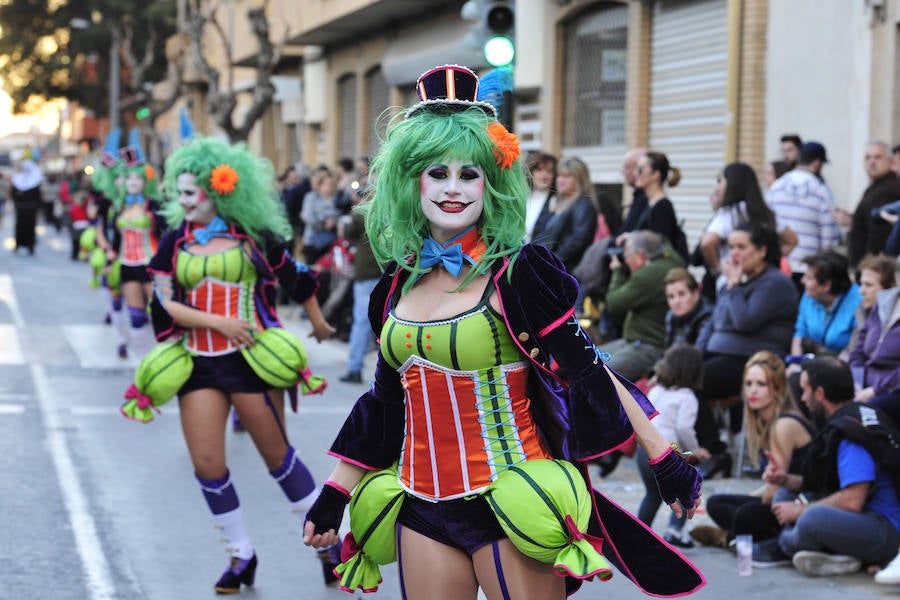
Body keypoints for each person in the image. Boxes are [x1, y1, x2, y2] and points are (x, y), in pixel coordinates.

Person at [302, 64, 704, 600]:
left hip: (513, 501)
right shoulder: (395, 285)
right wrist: (334, 493)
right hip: (422, 504)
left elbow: (589, 370)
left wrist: (664, 456)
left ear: (491, 183)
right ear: (409, 180)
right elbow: (383, 405)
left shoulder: (519, 272)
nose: (452, 189)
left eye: (469, 174)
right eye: (436, 173)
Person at [145, 137, 338, 592]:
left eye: (192, 192)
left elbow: (298, 278)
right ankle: (240, 555)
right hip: (199, 363)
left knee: (278, 459)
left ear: (219, 189)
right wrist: (218, 322)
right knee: (208, 464)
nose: (184, 201)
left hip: (252, 359)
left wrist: (319, 324)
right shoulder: (175, 240)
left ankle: (327, 542)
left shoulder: (254, 239)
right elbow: (165, 302)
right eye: (180, 192)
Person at [752, 357, 900, 577]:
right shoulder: (854, 415)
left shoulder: (851, 432)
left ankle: (786, 545)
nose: (803, 398)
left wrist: (799, 511)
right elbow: (832, 484)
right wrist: (785, 479)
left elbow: (853, 500)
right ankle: (839, 556)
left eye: (805, 391)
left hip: (883, 530)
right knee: (785, 493)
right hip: (861, 519)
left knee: (811, 520)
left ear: (819, 394)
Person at [690, 352, 814, 549]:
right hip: (783, 496)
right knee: (716, 503)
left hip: (798, 504)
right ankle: (736, 537)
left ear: (777, 388)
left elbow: (773, 492)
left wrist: (750, 507)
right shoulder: (766, 421)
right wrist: (748, 499)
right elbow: (770, 485)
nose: (752, 391)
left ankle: (731, 537)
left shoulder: (784, 424)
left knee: (746, 515)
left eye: (761, 384)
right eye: (749, 384)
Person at [696, 223, 798, 436]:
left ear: (762, 251)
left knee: (690, 381)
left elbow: (745, 321)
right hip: (722, 355)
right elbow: (713, 324)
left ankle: (713, 449)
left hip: (753, 360)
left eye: (741, 247)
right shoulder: (735, 284)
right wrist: (692, 355)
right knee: (674, 374)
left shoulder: (775, 282)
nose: (733, 253)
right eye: (731, 247)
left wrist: (733, 285)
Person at [636, 344, 709, 548]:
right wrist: (695, 450)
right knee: (688, 488)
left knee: (652, 494)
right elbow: (684, 428)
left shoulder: (656, 389)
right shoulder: (687, 397)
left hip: (644, 452)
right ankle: (674, 531)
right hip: (668, 454)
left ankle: (641, 534)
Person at [105, 143, 167, 360]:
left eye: (137, 179)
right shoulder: (120, 206)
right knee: (136, 315)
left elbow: (164, 235)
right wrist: (109, 260)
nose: (133, 182)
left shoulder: (154, 207)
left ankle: (165, 357)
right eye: (129, 179)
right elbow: (116, 240)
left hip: (151, 264)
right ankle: (142, 362)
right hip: (127, 265)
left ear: (145, 181)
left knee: (162, 312)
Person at [604, 230, 684, 381]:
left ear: (641, 256)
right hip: (634, 341)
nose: (625, 261)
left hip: (648, 346)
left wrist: (618, 271)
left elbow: (613, 303)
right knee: (588, 357)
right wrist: (637, 236)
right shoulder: (672, 260)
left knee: (599, 372)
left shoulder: (649, 275)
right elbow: (663, 241)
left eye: (627, 256)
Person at [698, 162, 787, 295]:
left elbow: (707, 243)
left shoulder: (730, 213)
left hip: (732, 281)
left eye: (721, 180)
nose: (718, 186)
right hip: (762, 279)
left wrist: (717, 269)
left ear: (731, 183)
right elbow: (791, 240)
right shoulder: (764, 211)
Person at [766, 141, 841, 290]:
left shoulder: (776, 187)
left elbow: (767, 225)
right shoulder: (821, 191)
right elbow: (829, 237)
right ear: (817, 164)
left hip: (778, 266)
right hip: (808, 271)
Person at [848, 256, 900, 426]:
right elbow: (857, 350)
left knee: (866, 411)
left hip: (892, 390)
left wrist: (874, 390)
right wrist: (856, 382)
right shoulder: (882, 306)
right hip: (864, 384)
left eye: (868, 285)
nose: (861, 291)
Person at [338, 187, 381, 384]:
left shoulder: (362, 212)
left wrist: (357, 205)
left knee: (361, 322)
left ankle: (355, 367)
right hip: (390, 271)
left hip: (366, 272)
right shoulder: (395, 208)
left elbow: (347, 232)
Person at [789, 251, 862, 360]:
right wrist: (795, 363)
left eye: (809, 278)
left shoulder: (858, 303)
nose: (802, 281)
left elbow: (855, 349)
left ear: (826, 286)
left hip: (844, 363)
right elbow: (800, 332)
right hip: (814, 360)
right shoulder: (809, 295)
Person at [531, 156, 598, 271]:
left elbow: (577, 242)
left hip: (566, 272)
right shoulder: (558, 202)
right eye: (560, 175)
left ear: (580, 179)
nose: (561, 180)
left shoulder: (583, 205)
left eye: (567, 176)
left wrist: (551, 264)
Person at [843, 141, 900, 269]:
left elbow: (879, 234)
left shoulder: (889, 189)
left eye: (878, 157)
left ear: (891, 162)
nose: (872, 162)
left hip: (872, 268)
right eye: (868, 157)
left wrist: (868, 268)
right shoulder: (877, 186)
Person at [620, 150, 687, 260]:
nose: (636, 173)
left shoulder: (662, 206)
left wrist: (633, 238)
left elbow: (660, 246)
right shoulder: (650, 202)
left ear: (656, 175)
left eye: (640, 169)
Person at [10, 156, 43, 255]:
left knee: (26, 226)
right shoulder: (19, 179)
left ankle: (27, 245)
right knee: (23, 226)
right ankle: (24, 244)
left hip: (25, 208)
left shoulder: (33, 180)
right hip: (26, 208)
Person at [523, 151, 556, 243]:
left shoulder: (556, 200)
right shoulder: (523, 196)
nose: (544, 174)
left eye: (549, 171)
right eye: (539, 170)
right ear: (531, 172)